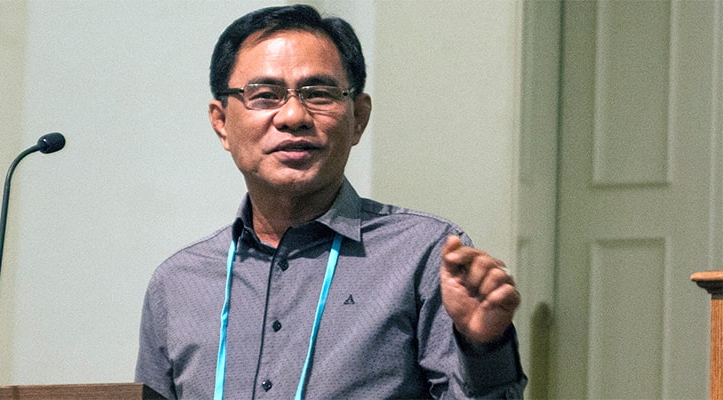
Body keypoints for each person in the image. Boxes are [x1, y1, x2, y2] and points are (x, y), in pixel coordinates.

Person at [135, 4, 526, 399]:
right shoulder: (178, 284)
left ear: (358, 118)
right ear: (221, 122)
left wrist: (484, 349)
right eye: (265, 95)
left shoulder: (424, 257)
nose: (292, 115)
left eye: (318, 94)